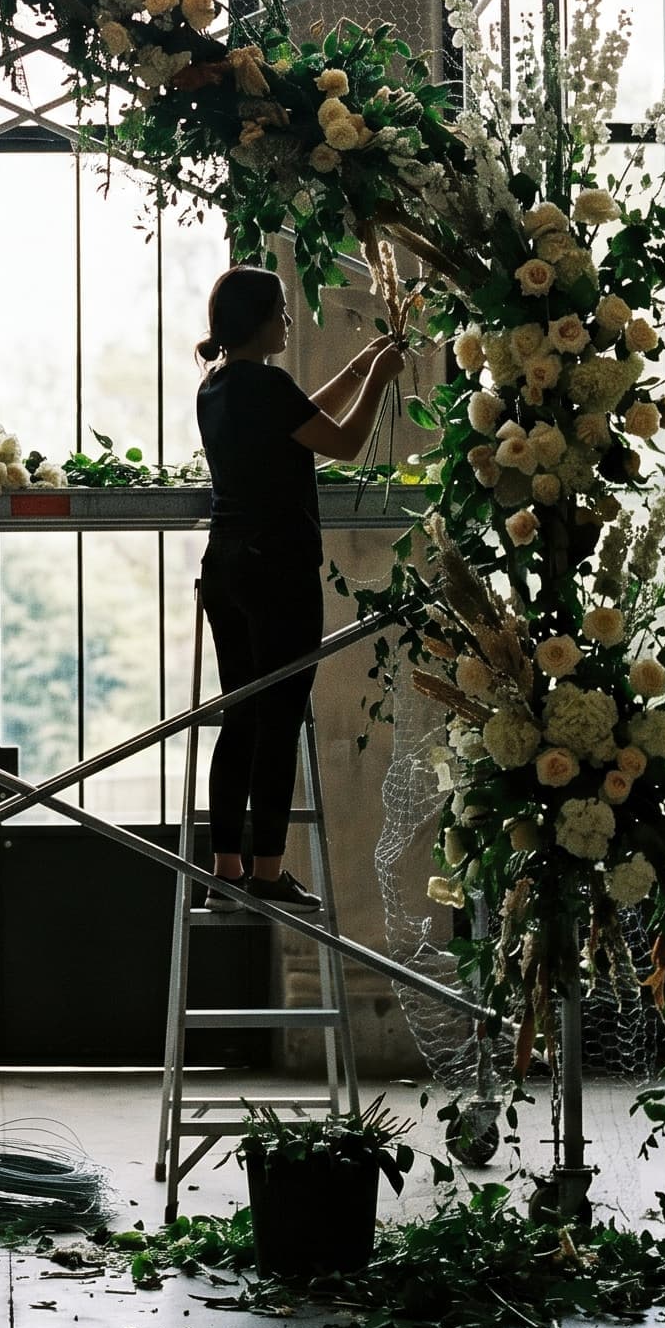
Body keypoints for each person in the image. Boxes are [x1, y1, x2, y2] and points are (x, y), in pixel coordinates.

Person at [193, 263, 409, 910]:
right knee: (281, 718)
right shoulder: (267, 385)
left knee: (241, 715)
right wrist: (378, 376)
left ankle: (226, 870)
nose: (289, 321)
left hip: (227, 565)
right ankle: (268, 869)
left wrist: (360, 363)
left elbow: (304, 417)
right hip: (278, 570)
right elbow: (340, 441)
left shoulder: (218, 386)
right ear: (261, 321)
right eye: (283, 311)